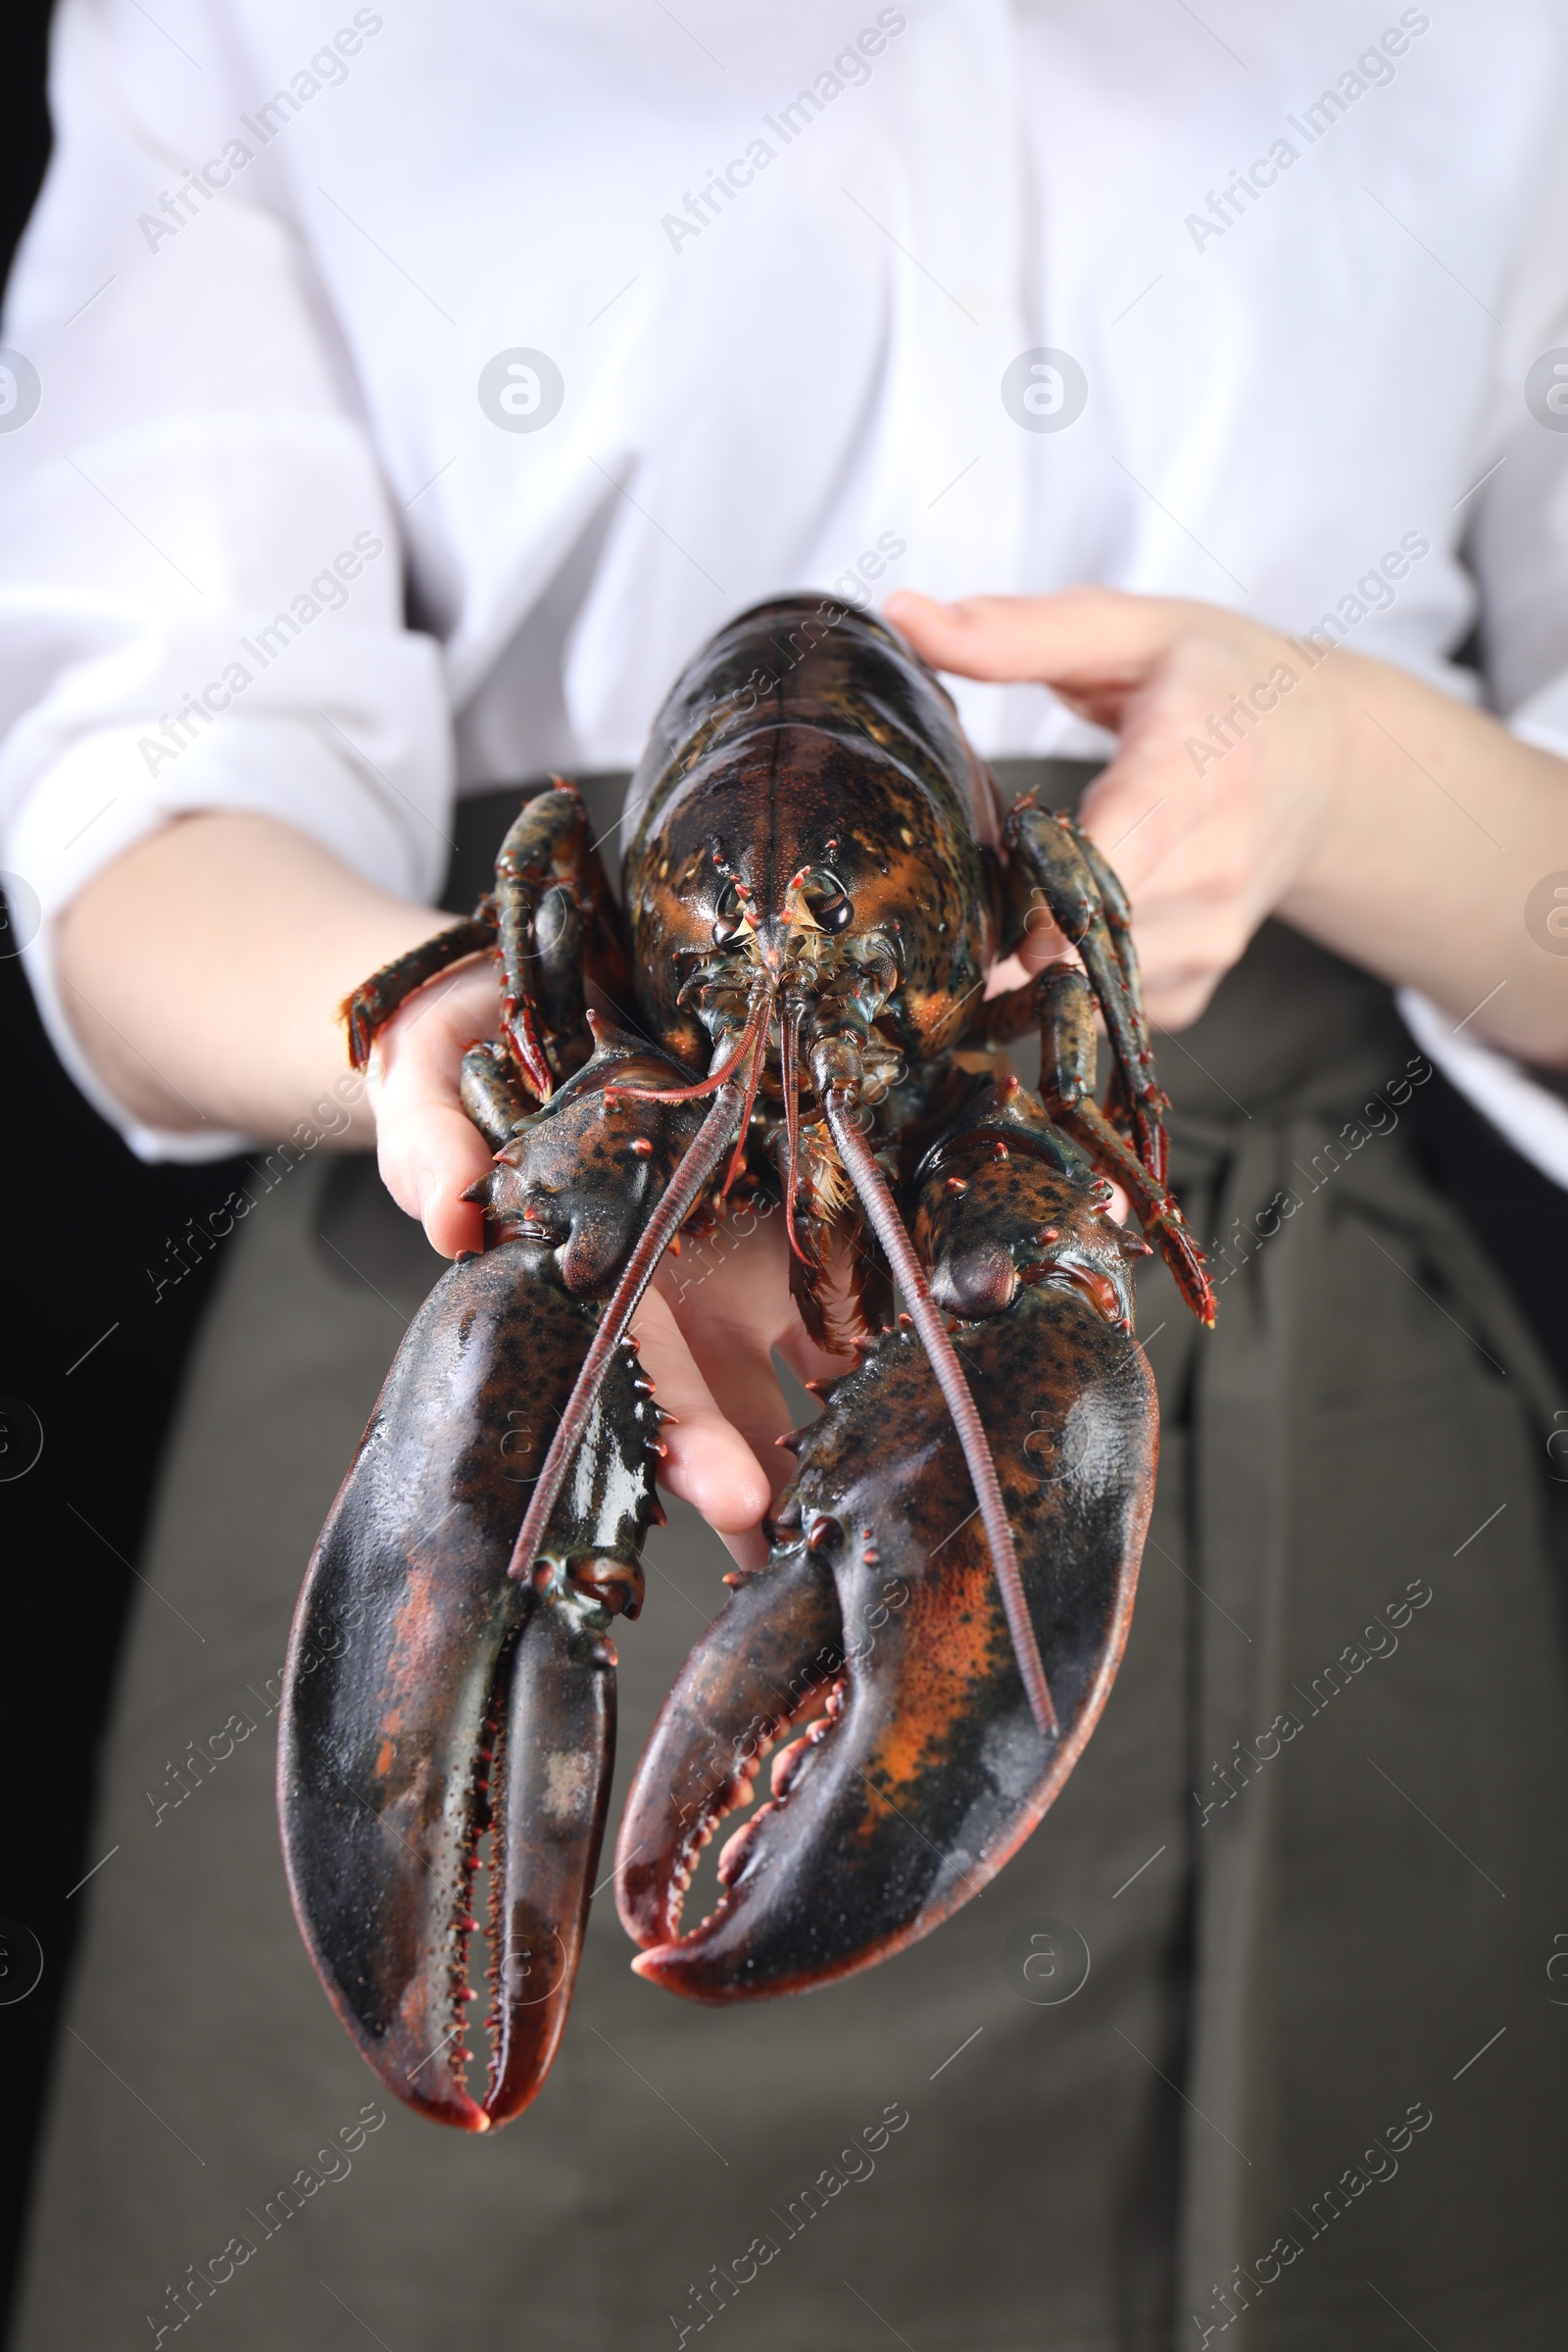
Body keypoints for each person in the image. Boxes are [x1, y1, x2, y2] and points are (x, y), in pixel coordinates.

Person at [3, 3, 1566, 2346]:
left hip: (1299, 1491)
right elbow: (129, 818)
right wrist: (452, 1043)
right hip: (494, 1257)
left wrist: (1330, 768)